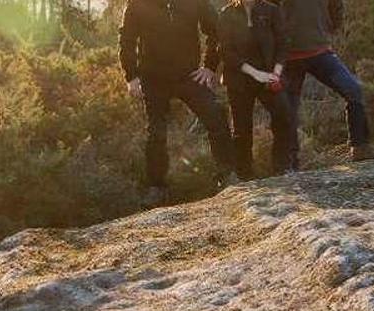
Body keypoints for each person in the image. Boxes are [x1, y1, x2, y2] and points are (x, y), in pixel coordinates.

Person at [119, 0, 236, 205]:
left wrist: (209, 66)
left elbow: (216, 31)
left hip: (189, 75)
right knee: (156, 132)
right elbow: (127, 39)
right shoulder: (137, 4)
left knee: (216, 115)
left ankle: (226, 175)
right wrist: (131, 76)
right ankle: (157, 187)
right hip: (153, 79)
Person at [278, 0, 374, 165]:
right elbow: (265, 9)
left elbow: (336, 7)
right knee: (289, 109)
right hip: (288, 58)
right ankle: (290, 162)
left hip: (320, 52)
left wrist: (331, 26)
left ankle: (360, 147)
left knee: (353, 90)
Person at [217, 0, 295, 179]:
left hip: (268, 77)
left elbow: (283, 43)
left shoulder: (271, 11)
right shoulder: (226, 14)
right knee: (242, 128)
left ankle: (282, 166)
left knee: (283, 114)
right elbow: (226, 52)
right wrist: (255, 73)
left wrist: (276, 72)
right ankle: (245, 175)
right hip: (239, 78)